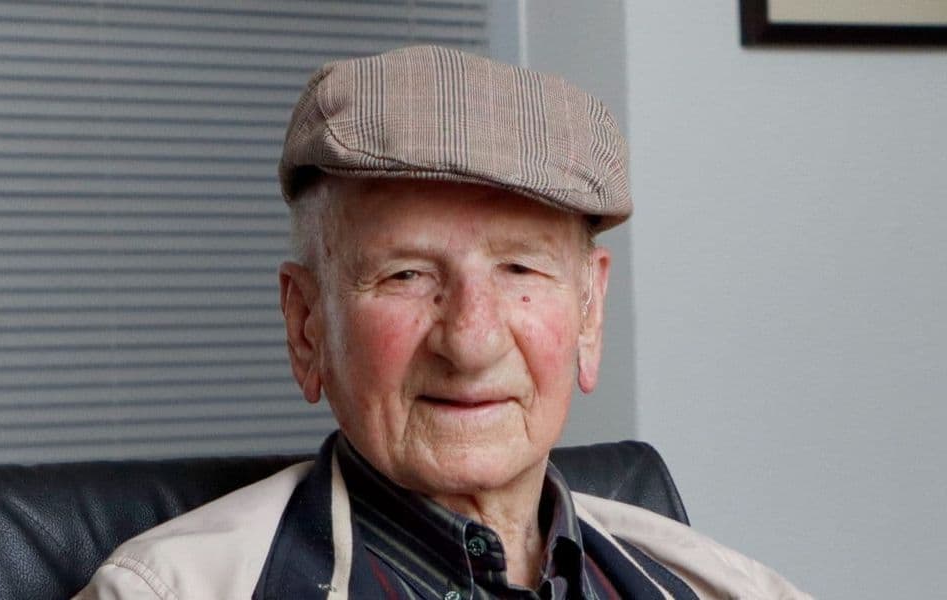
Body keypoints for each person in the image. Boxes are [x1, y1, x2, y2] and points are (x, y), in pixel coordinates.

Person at [76, 45, 809, 599]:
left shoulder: (731, 589)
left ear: (589, 314)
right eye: (407, 274)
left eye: (520, 270)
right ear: (307, 326)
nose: (471, 340)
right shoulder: (165, 591)